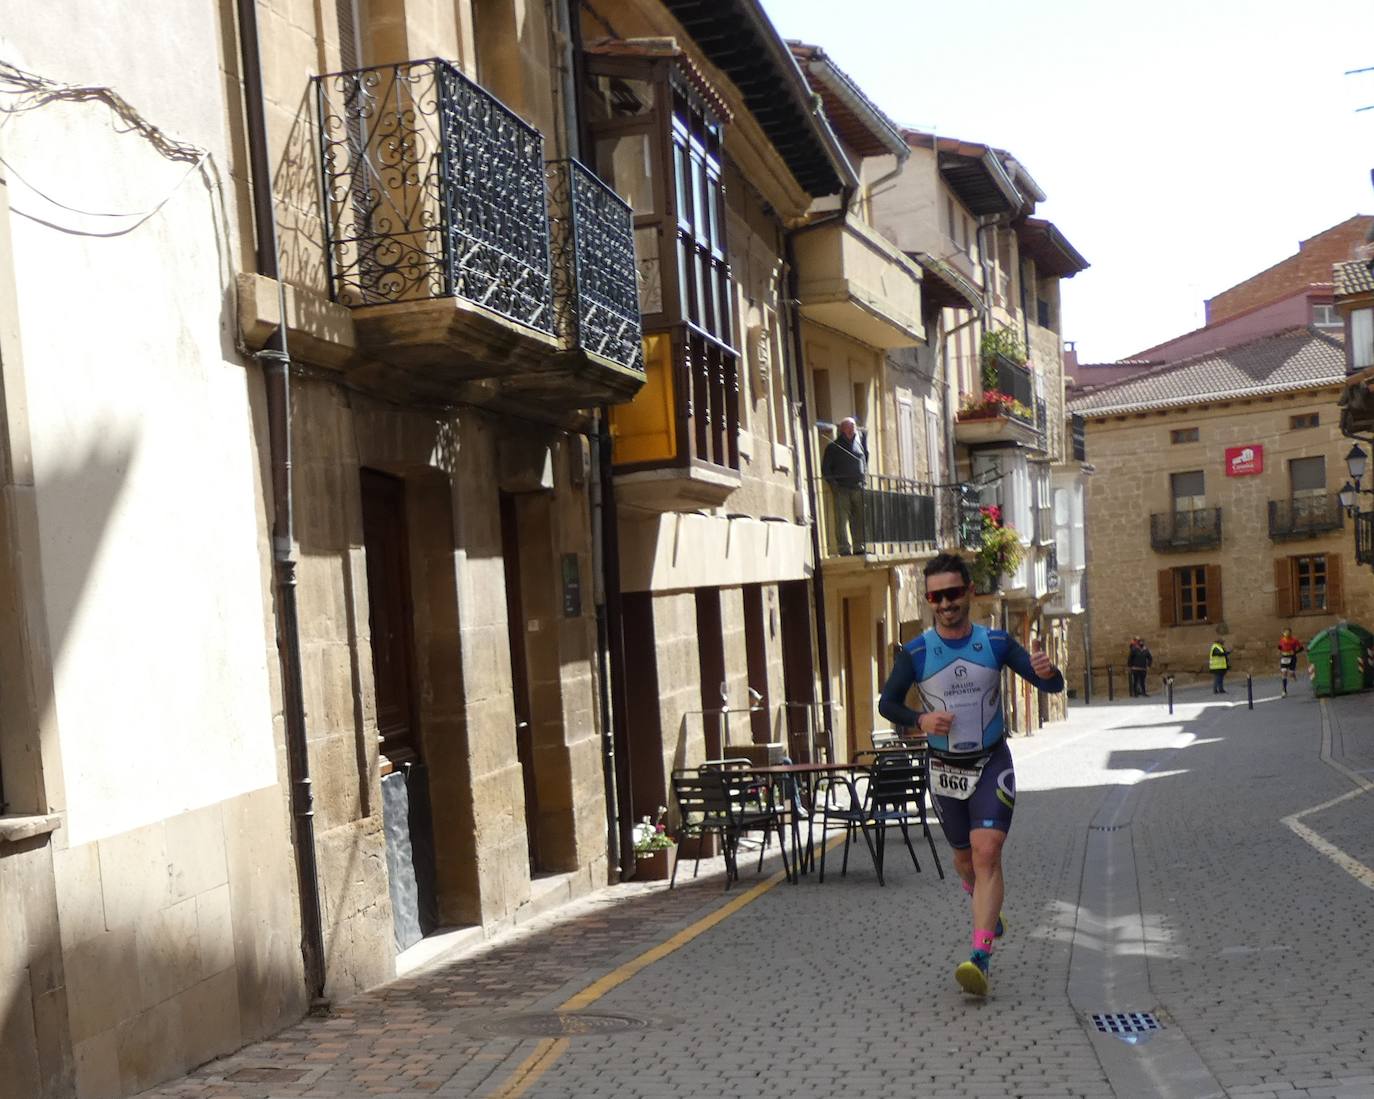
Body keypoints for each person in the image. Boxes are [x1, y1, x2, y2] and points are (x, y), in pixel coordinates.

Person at [877, 552, 1063, 998]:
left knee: (988, 853)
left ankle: (979, 957)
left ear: (969, 593)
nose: (945, 603)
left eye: (953, 593)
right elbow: (888, 704)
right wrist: (920, 720)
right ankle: (984, 903)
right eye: (936, 596)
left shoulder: (996, 644)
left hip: (991, 763)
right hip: (943, 770)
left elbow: (1051, 687)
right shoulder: (917, 653)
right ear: (928, 600)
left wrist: (1051, 672)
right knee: (965, 861)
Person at [821, 417, 867, 555]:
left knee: (859, 519)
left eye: (854, 426)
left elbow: (864, 463)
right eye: (850, 426)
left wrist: (864, 479)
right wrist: (834, 485)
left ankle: (859, 547)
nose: (853, 429)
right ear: (843, 429)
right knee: (841, 520)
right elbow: (826, 469)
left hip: (858, 487)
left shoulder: (859, 446)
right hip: (842, 488)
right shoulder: (833, 447)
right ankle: (844, 548)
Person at [1277, 627, 1304, 696]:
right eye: (1285, 632)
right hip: (1284, 658)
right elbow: (1279, 647)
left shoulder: (1294, 640)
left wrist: (1295, 652)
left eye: (1288, 632)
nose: (1286, 633)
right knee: (1284, 673)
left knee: (1291, 673)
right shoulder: (1282, 640)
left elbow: (1301, 648)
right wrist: (1280, 652)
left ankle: (1293, 674)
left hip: (1292, 658)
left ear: (1290, 633)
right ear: (1283, 633)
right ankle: (1284, 690)